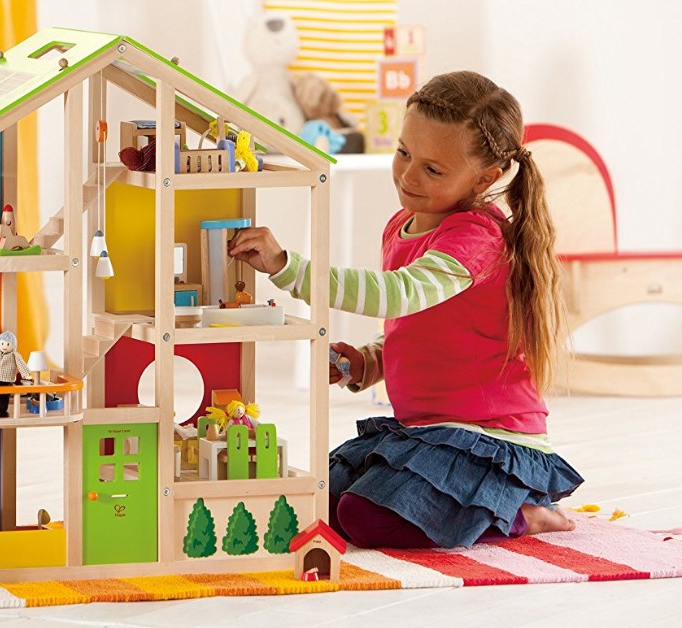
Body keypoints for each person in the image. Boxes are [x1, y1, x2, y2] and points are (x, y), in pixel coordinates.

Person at [228, 70, 584, 549]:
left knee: (366, 518)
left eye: (433, 170)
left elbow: (398, 294)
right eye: (403, 153)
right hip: (426, 432)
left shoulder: (475, 238)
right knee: (319, 501)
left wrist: (287, 267)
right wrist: (369, 361)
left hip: (488, 441)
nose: (409, 175)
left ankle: (520, 512)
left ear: (485, 178)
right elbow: (417, 320)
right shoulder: (403, 225)